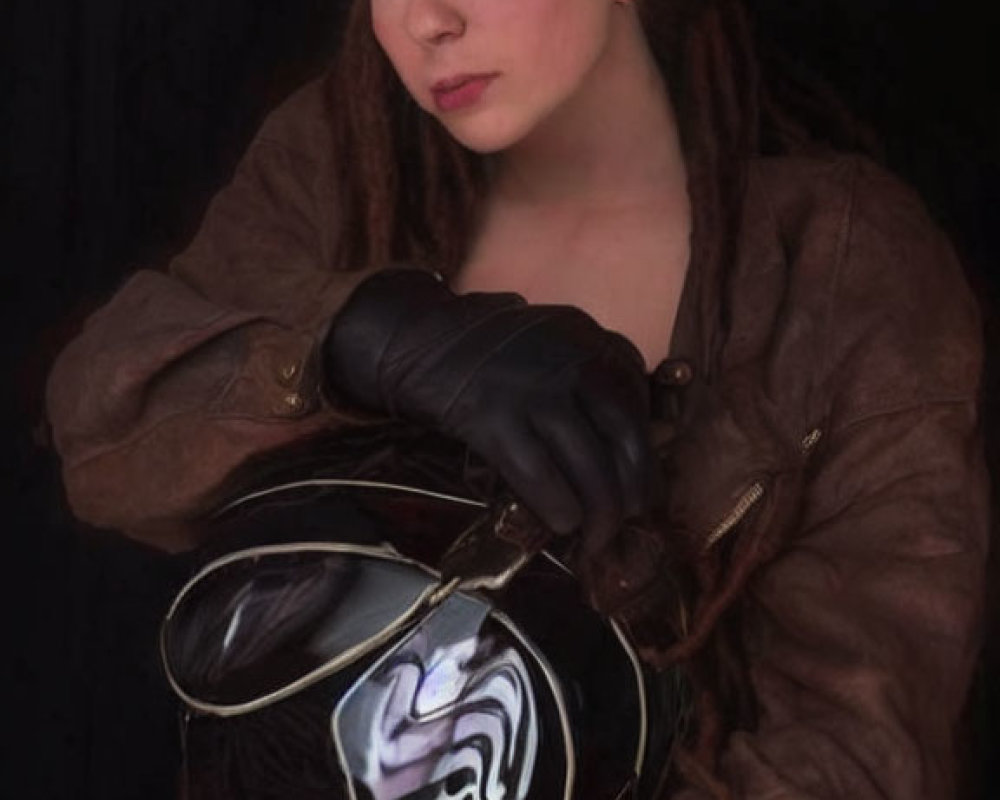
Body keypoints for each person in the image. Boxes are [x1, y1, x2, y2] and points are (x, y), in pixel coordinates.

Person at [45, 0, 989, 796]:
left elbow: (855, 747)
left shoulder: (836, 266)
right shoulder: (340, 164)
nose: (425, 21)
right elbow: (105, 431)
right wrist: (368, 338)